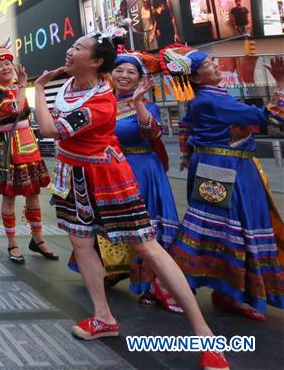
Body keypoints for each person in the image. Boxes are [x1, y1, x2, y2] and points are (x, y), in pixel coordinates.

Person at [33, 34, 227, 370]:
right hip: (74, 176)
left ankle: (204, 335)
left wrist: (36, 89)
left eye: (78, 48)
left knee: (147, 247)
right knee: (81, 245)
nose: (70, 50)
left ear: (95, 62)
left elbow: (50, 130)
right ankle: (103, 316)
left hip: (108, 177)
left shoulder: (100, 100)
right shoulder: (71, 89)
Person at [164, 46, 284, 322]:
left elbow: (185, 125)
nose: (217, 64)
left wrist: (186, 153)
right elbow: (271, 116)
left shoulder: (208, 98)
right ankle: (174, 285)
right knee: (213, 228)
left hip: (228, 167)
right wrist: (281, 84)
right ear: (195, 78)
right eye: (209, 63)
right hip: (222, 169)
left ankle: (226, 292)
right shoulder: (212, 100)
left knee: (227, 229)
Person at [70, 50, 182, 311]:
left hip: (142, 169)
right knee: (106, 225)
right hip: (108, 169)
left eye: (132, 72)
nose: (124, 75)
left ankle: (156, 285)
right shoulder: (102, 100)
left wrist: (139, 103)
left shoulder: (146, 104)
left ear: (141, 79)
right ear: (110, 74)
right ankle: (112, 270)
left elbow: (152, 131)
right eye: (119, 70)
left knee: (145, 231)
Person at [0, 43, 56, 265]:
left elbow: (24, 110)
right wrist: (22, 85)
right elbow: (15, 109)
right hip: (8, 147)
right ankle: (12, 243)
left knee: (33, 193)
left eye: (7, 63)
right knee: (9, 195)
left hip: (28, 144)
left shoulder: (15, 88)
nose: (5, 68)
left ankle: (38, 239)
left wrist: (20, 87)